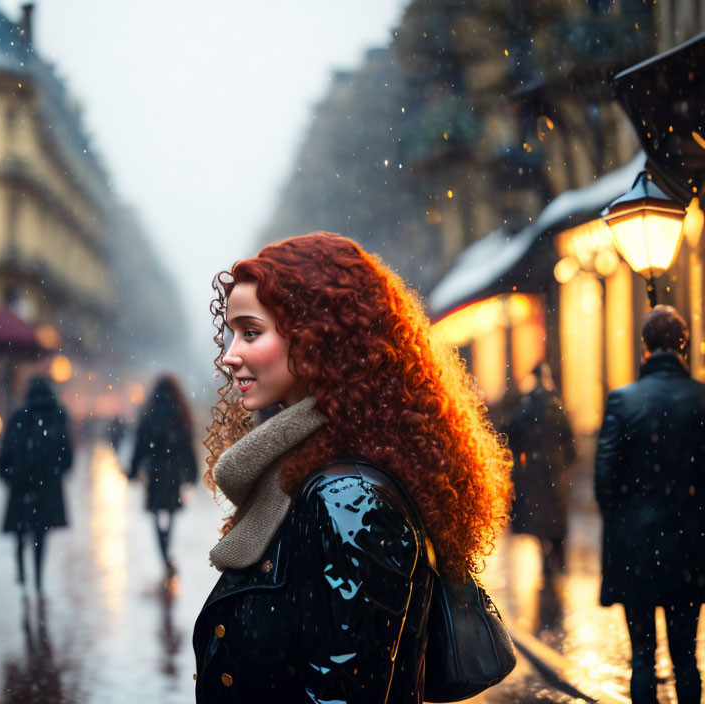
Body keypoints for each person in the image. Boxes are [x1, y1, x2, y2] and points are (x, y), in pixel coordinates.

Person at [193, 232, 512, 702]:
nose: (230, 355)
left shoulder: (348, 500)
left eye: (252, 332)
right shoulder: (304, 476)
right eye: (233, 333)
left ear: (318, 335)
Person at [595, 305, 705, 704]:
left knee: (642, 659)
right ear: (683, 344)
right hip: (690, 550)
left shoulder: (623, 401)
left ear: (645, 347)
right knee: (686, 659)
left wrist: (626, 521)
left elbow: (603, 481)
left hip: (636, 549)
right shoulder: (700, 400)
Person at [0, 377, 73, 596]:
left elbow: (6, 453)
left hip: (22, 483)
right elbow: (67, 458)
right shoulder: (57, 417)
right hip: (47, 487)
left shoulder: (19, 417)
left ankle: (22, 571)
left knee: (21, 530)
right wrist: (55, 472)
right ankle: (38, 579)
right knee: (41, 534)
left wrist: (8, 475)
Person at [504, 361, 576, 579]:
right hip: (555, 471)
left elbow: (508, 435)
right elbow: (570, 445)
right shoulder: (557, 407)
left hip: (532, 473)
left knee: (538, 515)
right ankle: (558, 556)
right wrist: (564, 462)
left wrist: (519, 460)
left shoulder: (524, 408)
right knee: (557, 516)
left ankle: (545, 554)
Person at [128, 374, 198, 574]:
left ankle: (164, 557)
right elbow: (187, 445)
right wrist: (192, 472)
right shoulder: (180, 413)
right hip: (173, 472)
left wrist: (133, 470)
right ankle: (168, 554)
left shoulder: (150, 413)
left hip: (155, 472)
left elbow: (140, 445)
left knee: (157, 516)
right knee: (171, 513)